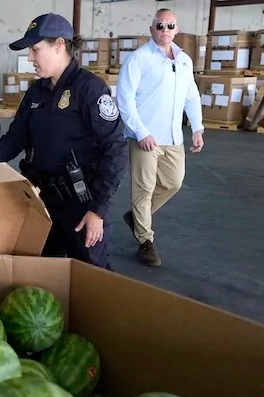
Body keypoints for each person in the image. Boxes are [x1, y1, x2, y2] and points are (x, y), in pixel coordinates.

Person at [0, 13, 127, 270]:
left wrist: (98, 210)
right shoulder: (36, 90)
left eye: (35, 49)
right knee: (42, 273)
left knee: (91, 276)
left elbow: (115, 149)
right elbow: (16, 137)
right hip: (44, 201)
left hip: (82, 206)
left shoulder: (89, 89)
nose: (30, 58)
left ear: (59, 46)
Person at [116, 8, 204, 267]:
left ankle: (136, 217)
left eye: (170, 25)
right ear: (151, 29)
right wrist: (141, 132)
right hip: (145, 137)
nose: (165, 30)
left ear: (177, 29)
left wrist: (197, 128)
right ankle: (145, 240)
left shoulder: (184, 60)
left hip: (173, 137)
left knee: (173, 182)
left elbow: (191, 96)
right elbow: (125, 99)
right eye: (160, 26)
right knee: (143, 189)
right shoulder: (138, 59)